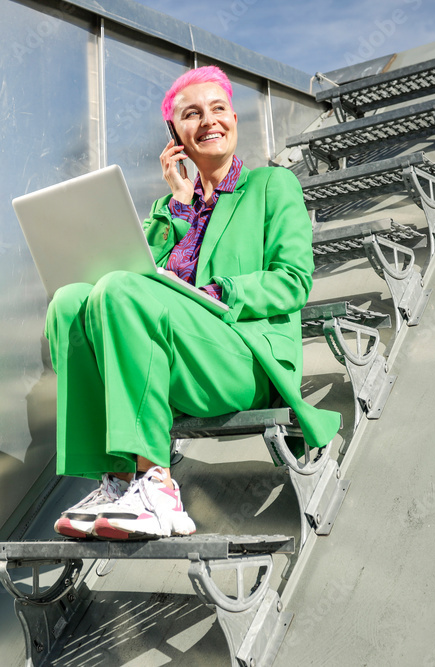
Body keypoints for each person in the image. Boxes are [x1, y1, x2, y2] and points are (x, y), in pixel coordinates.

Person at [46, 66, 342, 540]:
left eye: (218, 108)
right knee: (70, 301)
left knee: (120, 290)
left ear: (234, 118)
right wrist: (181, 206)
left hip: (242, 358)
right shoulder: (168, 210)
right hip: (176, 355)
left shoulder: (271, 186)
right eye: (192, 114)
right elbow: (131, 273)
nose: (209, 120)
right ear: (175, 135)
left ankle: (157, 489)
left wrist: (219, 292)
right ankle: (120, 478)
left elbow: (293, 282)